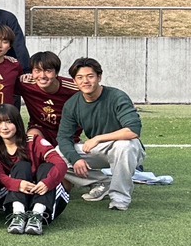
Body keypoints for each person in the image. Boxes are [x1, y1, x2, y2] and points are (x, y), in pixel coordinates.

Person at [57, 57, 145, 212]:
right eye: (80, 77)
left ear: (99, 77)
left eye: (90, 76)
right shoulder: (72, 104)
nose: (85, 81)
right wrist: (76, 159)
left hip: (126, 147)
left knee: (124, 146)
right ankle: (102, 182)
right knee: (56, 155)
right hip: (98, 150)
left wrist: (98, 138)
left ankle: (119, 198)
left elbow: (133, 130)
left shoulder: (117, 96)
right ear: (74, 81)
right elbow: (63, 137)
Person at [0, 104, 69, 235]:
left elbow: (61, 164)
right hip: (14, 199)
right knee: (21, 166)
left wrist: (47, 183)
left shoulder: (33, 141)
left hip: (45, 200)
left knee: (47, 167)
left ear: (17, 122)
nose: (4, 127)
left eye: (9, 122)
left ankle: (37, 216)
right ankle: (18, 216)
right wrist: (18, 184)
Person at [20, 51, 75, 141]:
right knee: (31, 138)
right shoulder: (25, 84)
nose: (42, 76)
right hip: (39, 129)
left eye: (48, 71)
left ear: (56, 73)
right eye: (37, 71)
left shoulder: (74, 88)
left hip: (67, 132)